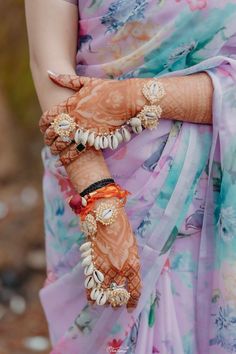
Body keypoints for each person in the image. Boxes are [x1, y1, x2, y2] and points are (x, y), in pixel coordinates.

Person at [25, 0, 236, 353]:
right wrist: (99, 199)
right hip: (93, 172)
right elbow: (51, 71)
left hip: (218, 191)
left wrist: (135, 97)